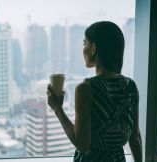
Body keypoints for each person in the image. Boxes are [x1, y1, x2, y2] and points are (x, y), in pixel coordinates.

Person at [46, 21, 142, 162]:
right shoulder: (130, 86)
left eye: (84, 43)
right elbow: (135, 138)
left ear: (94, 48)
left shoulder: (86, 88)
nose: (83, 48)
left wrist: (57, 108)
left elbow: (81, 144)